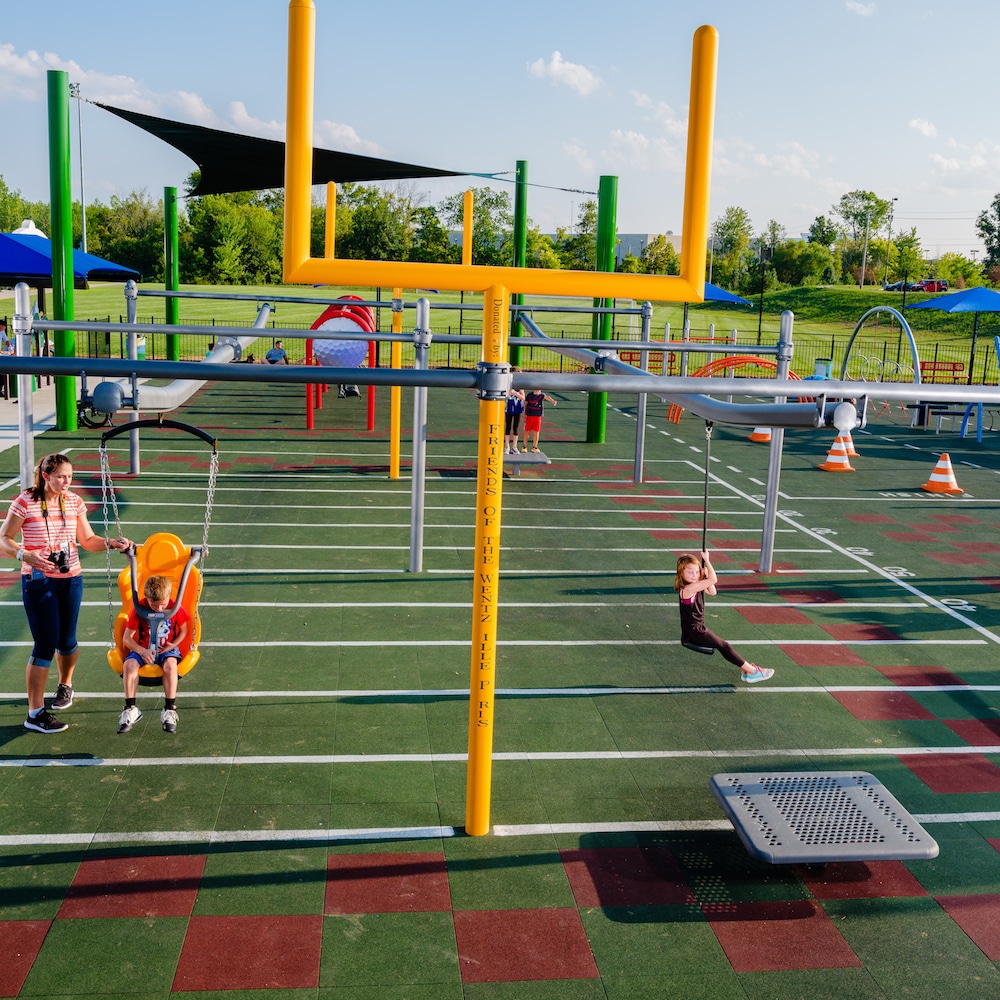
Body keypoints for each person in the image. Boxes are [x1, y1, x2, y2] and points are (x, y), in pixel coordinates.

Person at [0, 453, 131, 733]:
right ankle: (34, 713)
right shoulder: (25, 502)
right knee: (45, 644)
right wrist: (26, 555)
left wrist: (111, 543)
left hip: (71, 578)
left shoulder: (74, 501)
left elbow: (86, 540)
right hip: (37, 581)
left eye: (70, 476)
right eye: (60, 476)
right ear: (45, 476)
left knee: (67, 641)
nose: (66, 481)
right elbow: (4, 538)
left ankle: (65, 684)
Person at [675, 551, 773, 683]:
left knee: (723, 646)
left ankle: (746, 671)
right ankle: (753, 672)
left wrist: (704, 576)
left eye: (697, 572)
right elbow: (714, 580)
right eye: (690, 572)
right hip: (694, 631)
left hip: (696, 629)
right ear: (681, 573)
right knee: (724, 646)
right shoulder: (689, 588)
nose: (694, 575)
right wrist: (707, 561)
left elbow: (712, 591)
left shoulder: (694, 585)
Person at [118, 575, 190, 734]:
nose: (158, 609)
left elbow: (184, 630)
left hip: (166, 648)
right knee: (129, 665)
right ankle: (130, 708)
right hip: (143, 648)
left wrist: (174, 644)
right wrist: (141, 651)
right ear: (146, 598)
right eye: (153, 605)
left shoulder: (174, 607)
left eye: (162, 605)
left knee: (171, 666)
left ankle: (170, 709)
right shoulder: (140, 608)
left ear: (169, 598)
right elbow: (126, 639)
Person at [504, 375, 525, 454]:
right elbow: (505, 395)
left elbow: (523, 397)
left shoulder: (520, 387)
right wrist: (509, 393)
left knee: (515, 427)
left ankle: (514, 447)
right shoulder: (507, 385)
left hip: (517, 409)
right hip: (509, 408)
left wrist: (515, 393)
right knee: (508, 427)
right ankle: (507, 446)